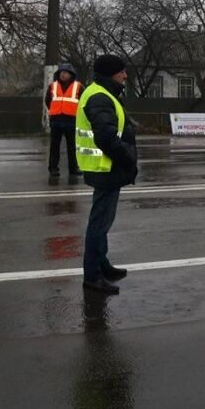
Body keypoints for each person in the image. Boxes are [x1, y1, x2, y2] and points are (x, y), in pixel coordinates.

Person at [76, 54, 138, 294]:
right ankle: (92, 275)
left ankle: (102, 265)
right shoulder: (100, 96)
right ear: (111, 73)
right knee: (99, 224)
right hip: (105, 167)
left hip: (106, 167)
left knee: (103, 221)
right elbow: (106, 137)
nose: (125, 75)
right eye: (122, 71)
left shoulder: (102, 92)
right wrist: (127, 158)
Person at [45, 62, 84, 177]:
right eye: (61, 72)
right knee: (54, 147)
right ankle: (53, 168)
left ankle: (73, 169)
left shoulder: (79, 86)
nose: (63, 74)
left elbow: (83, 102)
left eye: (65, 72)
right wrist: (53, 110)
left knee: (72, 147)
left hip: (71, 120)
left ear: (71, 74)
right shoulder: (53, 86)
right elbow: (48, 101)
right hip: (56, 120)